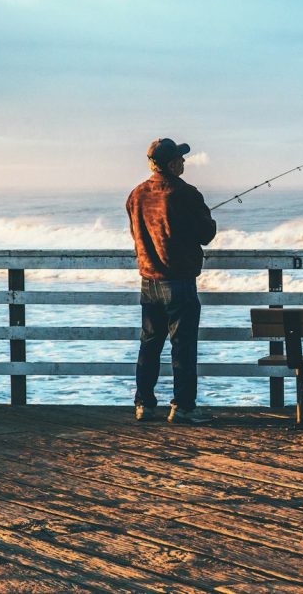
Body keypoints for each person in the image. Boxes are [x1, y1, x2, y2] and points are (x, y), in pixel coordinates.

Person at [126, 137, 217, 424]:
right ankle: (183, 407)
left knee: (149, 345)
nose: (184, 161)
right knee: (183, 346)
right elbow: (206, 234)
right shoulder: (185, 193)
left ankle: (144, 404)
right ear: (170, 163)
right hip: (178, 281)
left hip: (148, 281)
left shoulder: (137, 194)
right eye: (180, 157)